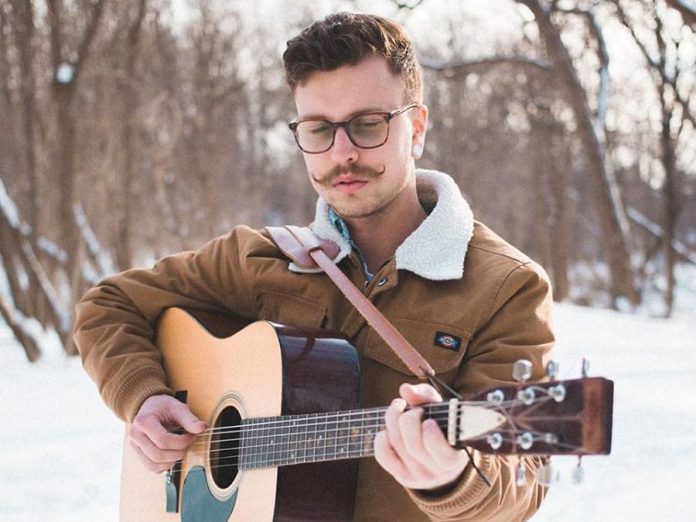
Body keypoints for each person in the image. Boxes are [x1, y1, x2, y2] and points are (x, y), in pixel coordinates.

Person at [74, 12, 554, 521]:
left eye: (368, 124)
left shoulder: (505, 287)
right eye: (318, 129)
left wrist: (452, 479)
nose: (341, 153)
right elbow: (108, 304)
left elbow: (520, 483)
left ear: (415, 127)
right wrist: (143, 397)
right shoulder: (262, 259)